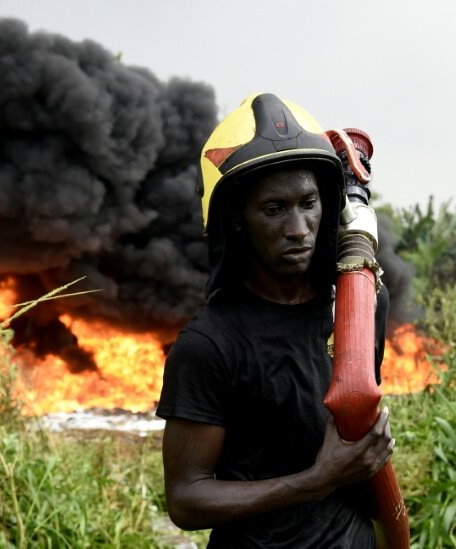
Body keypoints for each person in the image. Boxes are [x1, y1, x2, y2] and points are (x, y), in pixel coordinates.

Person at [156, 93, 394, 547]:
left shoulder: (359, 305)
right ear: (237, 219)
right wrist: (315, 481)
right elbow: (186, 500)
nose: (299, 228)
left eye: (308, 202)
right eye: (274, 209)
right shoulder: (209, 345)